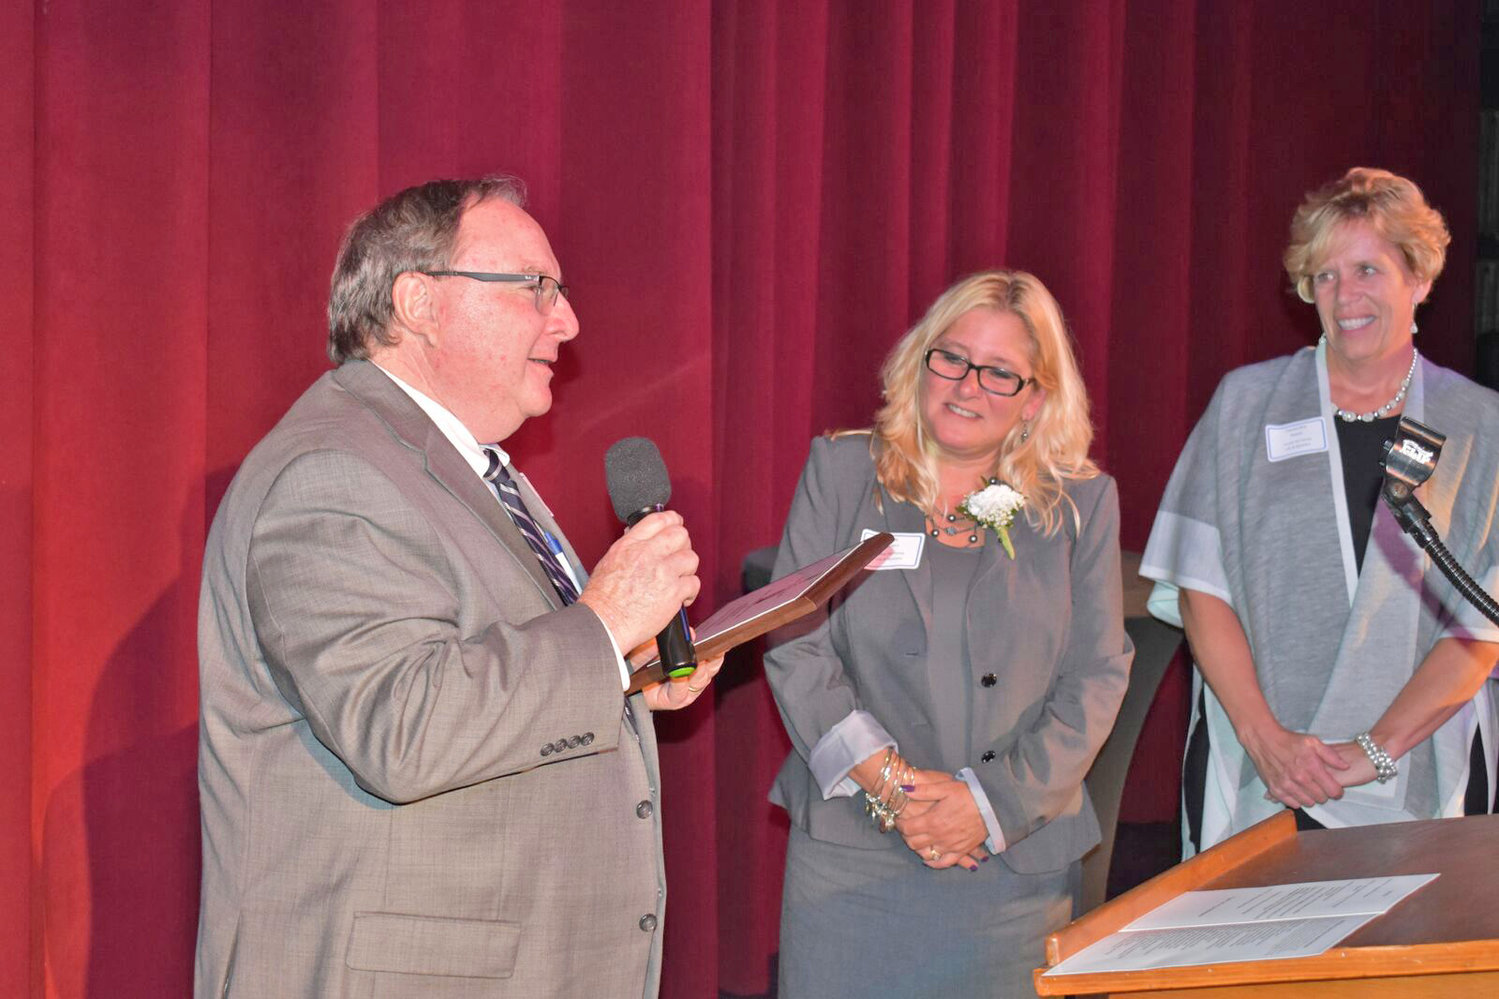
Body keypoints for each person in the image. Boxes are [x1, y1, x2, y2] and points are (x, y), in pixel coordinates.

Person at [194, 176, 720, 997]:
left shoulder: (463, 467)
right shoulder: (332, 471)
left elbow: (484, 666)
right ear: (417, 301)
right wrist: (601, 627)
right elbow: (403, 727)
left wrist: (623, 667)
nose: (568, 320)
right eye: (535, 288)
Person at [763, 270, 1132, 997]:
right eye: (952, 357)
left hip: (1011, 863)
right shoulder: (842, 472)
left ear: (1035, 398)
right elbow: (794, 644)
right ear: (919, 361)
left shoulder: (1079, 503)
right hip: (851, 856)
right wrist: (893, 789)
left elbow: (1096, 676)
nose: (967, 386)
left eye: (1000, 373)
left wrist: (985, 807)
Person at [1141, 167, 1499, 857]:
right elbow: (1199, 588)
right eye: (1324, 275)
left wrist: (1376, 750)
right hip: (1262, 771)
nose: (1345, 295)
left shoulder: (1478, 425)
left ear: (1419, 278)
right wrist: (1265, 739)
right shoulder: (1247, 404)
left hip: (1417, 774)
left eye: (1367, 267)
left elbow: (1481, 623)